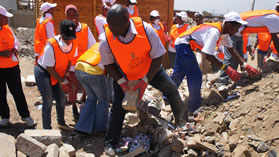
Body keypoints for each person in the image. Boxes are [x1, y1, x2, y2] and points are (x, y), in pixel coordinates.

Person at [99, 5, 187, 156]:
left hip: (149, 69)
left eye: (114, 24)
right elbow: (108, 64)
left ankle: (181, 123)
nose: (111, 28)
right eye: (109, 24)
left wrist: (145, 80)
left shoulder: (145, 30)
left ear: (126, 20)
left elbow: (158, 55)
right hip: (124, 74)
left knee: (171, 89)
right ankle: (110, 142)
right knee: (118, 108)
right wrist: (122, 83)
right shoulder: (106, 39)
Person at [172, 12, 259, 114]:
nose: (237, 31)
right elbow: (207, 55)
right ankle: (193, 108)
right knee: (195, 75)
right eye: (236, 28)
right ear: (229, 25)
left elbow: (232, 50)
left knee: (179, 72)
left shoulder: (225, 33)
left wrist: (245, 65)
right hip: (184, 44)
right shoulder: (215, 32)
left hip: (182, 42)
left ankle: (166, 95)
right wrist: (226, 68)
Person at [34, 20, 77, 130]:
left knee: (61, 99)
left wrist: (66, 75)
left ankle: (61, 123)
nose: (69, 41)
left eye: (71, 38)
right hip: (43, 72)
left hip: (57, 72)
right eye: (66, 38)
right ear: (61, 34)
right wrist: (63, 82)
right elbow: (49, 68)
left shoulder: (74, 44)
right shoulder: (51, 45)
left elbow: (69, 61)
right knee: (48, 99)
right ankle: (47, 129)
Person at [0, 5, 36, 127]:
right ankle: (4, 117)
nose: (7, 19)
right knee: (1, 93)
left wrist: (15, 49)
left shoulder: (7, 29)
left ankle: (25, 115)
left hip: (12, 67)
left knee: (17, 92)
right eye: (5, 17)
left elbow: (15, 42)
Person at [64, 4, 97, 120]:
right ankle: (73, 106)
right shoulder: (66, 30)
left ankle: (83, 101)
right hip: (71, 66)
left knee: (86, 87)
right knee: (72, 87)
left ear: (78, 15)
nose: (73, 17)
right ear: (66, 17)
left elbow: (92, 45)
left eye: (74, 14)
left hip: (83, 65)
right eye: (69, 15)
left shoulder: (85, 28)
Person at [74, 43, 109, 134]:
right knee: (103, 100)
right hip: (93, 71)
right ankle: (100, 128)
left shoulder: (99, 44)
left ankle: (82, 126)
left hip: (79, 68)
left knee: (92, 98)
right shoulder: (114, 45)